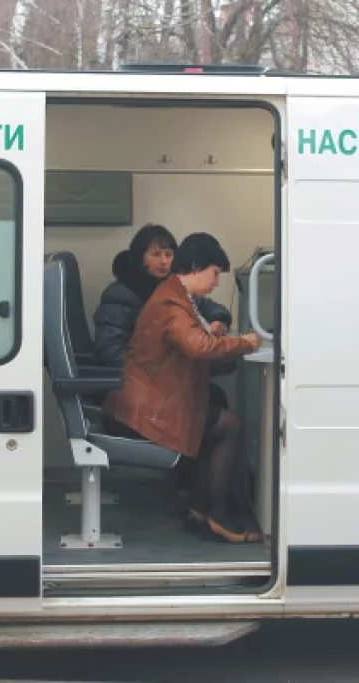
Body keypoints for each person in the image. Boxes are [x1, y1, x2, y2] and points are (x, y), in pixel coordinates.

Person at [103, 233, 263, 544]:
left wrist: (217, 332)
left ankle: (200, 511)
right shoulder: (171, 302)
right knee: (228, 425)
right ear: (196, 267)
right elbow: (198, 346)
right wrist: (244, 343)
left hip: (149, 400)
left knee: (213, 422)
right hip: (145, 410)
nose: (216, 282)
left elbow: (195, 338)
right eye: (215, 273)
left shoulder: (176, 294)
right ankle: (216, 514)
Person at [92, 223, 232, 368]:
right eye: (156, 254)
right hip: (139, 374)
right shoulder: (121, 294)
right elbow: (111, 351)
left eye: (169, 255)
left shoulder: (175, 287)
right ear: (140, 257)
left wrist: (219, 321)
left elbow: (212, 308)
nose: (164, 261)